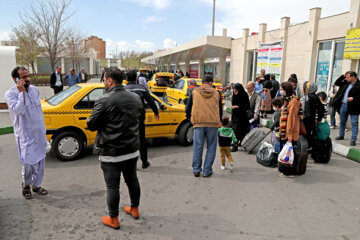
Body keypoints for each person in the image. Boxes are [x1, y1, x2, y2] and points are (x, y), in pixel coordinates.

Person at [87, 67, 143, 230]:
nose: (104, 82)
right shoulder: (135, 97)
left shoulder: (104, 100)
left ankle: (114, 219)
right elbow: (140, 119)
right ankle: (135, 209)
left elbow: (91, 124)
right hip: (132, 149)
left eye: (104, 79)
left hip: (111, 153)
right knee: (132, 180)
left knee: (113, 187)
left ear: (110, 80)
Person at [5, 67, 48, 199]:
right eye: (23, 77)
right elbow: (19, 110)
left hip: (39, 131)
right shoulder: (10, 94)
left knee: (41, 161)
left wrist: (43, 129)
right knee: (28, 162)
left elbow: (38, 111)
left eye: (27, 76)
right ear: (16, 79)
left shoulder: (34, 90)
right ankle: (26, 185)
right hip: (25, 133)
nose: (27, 79)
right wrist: (21, 93)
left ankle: (36, 185)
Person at [185, 74, 223, 178]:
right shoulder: (217, 93)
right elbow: (220, 110)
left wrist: (190, 117)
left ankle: (196, 170)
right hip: (213, 124)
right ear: (211, 82)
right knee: (211, 147)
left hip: (199, 123)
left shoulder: (194, 92)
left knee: (198, 146)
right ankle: (207, 171)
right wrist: (218, 120)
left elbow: (187, 108)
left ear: (202, 82)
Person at [125, 70, 159, 169]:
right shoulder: (142, 89)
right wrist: (156, 112)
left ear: (127, 79)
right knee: (142, 142)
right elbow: (151, 101)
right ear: (136, 78)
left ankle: (132, 164)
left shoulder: (123, 90)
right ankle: (144, 162)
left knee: (129, 143)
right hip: (139, 121)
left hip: (126, 122)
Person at [330, 71, 360, 146]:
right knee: (342, 121)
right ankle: (341, 134)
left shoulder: (359, 85)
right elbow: (336, 83)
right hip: (343, 105)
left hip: (354, 106)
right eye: (346, 77)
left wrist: (353, 98)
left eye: (348, 77)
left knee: (354, 123)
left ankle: (353, 139)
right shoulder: (346, 82)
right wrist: (343, 76)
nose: (346, 78)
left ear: (353, 77)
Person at [278, 82, 303, 151]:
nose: (281, 91)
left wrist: (290, 135)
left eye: (282, 90)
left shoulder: (293, 101)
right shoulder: (287, 100)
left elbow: (292, 120)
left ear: (286, 90)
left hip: (288, 134)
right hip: (285, 132)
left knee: (287, 157)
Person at [302, 81, 324, 150]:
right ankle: (312, 147)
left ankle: (308, 147)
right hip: (312, 118)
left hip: (306, 119)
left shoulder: (307, 97)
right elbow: (321, 108)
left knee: (306, 133)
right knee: (312, 133)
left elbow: (304, 109)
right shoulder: (316, 96)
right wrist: (319, 119)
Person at [230, 83, 250, 152]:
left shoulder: (244, 95)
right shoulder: (234, 96)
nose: (235, 92)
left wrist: (238, 107)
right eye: (234, 91)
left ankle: (238, 144)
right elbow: (233, 104)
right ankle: (235, 144)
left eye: (236, 91)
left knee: (240, 131)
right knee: (235, 130)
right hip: (235, 116)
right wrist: (234, 107)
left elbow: (247, 106)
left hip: (242, 117)